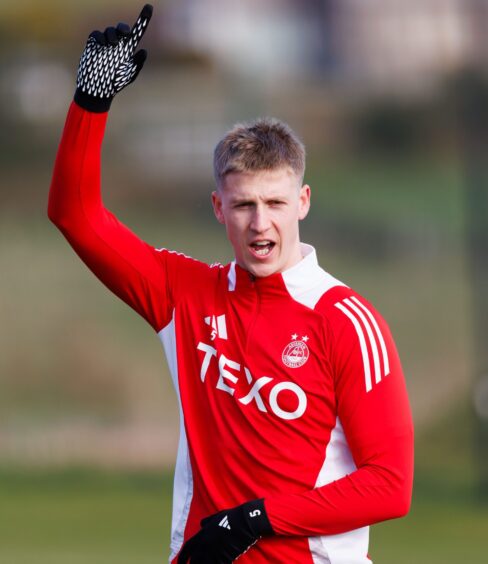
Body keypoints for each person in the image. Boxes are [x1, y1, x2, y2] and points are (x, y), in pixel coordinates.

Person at [48, 4, 414, 563]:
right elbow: (76, 214)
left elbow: (390, 485)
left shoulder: (347, 322)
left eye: (275, 203)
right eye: (243, 204)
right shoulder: (181, 292)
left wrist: (256, 519)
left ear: (304, 202)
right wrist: (91, 102)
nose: (260, 222)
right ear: (219, 207)